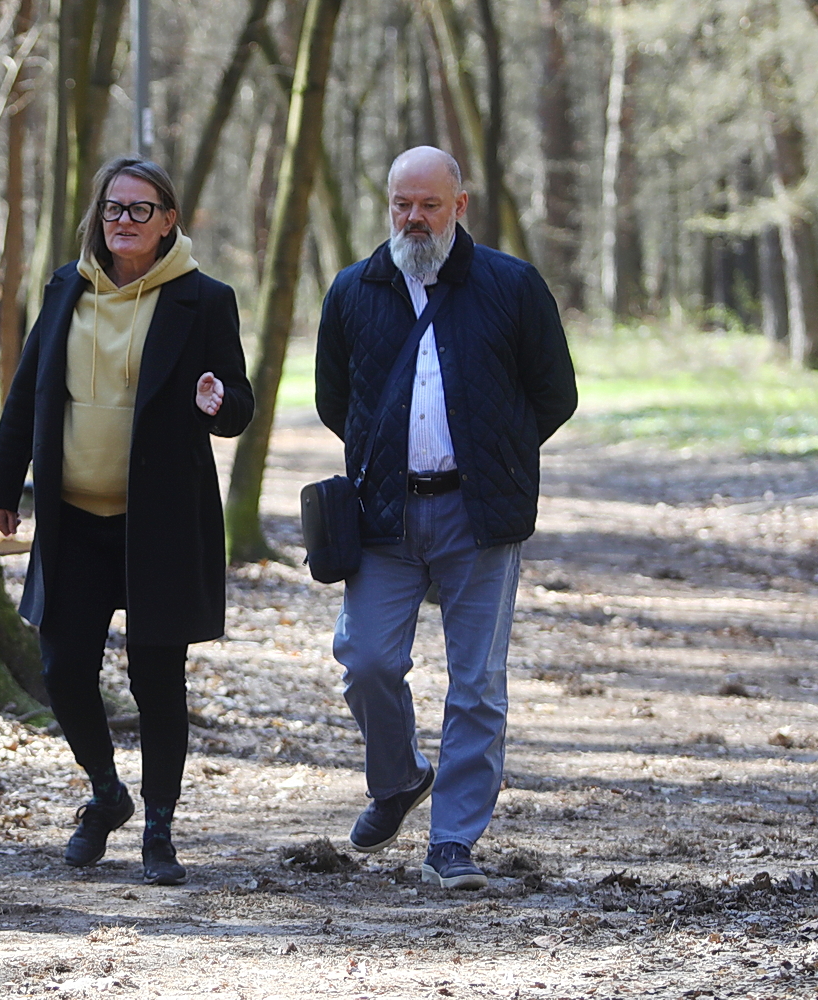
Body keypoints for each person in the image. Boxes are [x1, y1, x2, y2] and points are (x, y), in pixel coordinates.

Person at [0, 157, 253, 886]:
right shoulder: (65, 288)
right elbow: (28, 392)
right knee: (62, 667)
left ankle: (159, 829)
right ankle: (106, 792)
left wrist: (216, 401)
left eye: (139, 209)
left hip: (159, 523)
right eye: (112, 208)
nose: (123, 220)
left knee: (156, 678)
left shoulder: (204, 299)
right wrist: (1, 485)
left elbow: (238, 404)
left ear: (169, 220)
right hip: (72, 519)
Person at [314, 146, 576, 889]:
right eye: (402, 204)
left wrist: (496, 459)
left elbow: (554, 394)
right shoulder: (353, 290)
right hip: (384, 516)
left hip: (479, 513)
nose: (414, 218)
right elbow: (337, 401)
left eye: (429, 205)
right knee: (366, 661)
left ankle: (453, 842)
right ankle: (399, 778)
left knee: (477, 684)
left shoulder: (512, 285)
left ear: (459, 206)